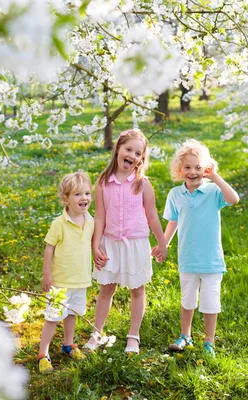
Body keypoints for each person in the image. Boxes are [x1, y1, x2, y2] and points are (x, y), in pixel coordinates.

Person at [84, 128, 167, 354]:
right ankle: (96, 332)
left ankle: (133, 336)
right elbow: (100, 215)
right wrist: (95, 244)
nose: (132, 155)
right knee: (106, 288)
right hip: (111, 242)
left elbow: (152, 216)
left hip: (136, 244)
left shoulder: (142, 184)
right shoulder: (103, 182)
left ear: (141, 159)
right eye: (128, 149)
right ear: (118, 149)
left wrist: (162, 243)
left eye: (138, 153)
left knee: (137, 290)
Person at [157, 139, 239, 356]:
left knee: (211, 302)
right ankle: (185, 335)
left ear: (206, 169)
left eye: (198, 168)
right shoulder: (175, 194)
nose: (192, 172)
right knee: (187, 299)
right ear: (179, 169)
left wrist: (215, 177)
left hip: (211, 260)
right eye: (187, 167)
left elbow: (234, 199)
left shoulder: (213, 192)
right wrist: (164, 244)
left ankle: (209, 341)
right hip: (188, 258)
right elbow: (172, 222)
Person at [37, 171, 94, 373]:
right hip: (60, 282)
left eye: (87, 193)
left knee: (72, 314)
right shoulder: (58, 224)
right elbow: (49, 248)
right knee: (53, 317)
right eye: (78, 194)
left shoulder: (90, 221)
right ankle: (43, 353)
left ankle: (68, 344)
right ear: (66, 199)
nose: (84, 198)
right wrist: (47, 275)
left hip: (80, 280)